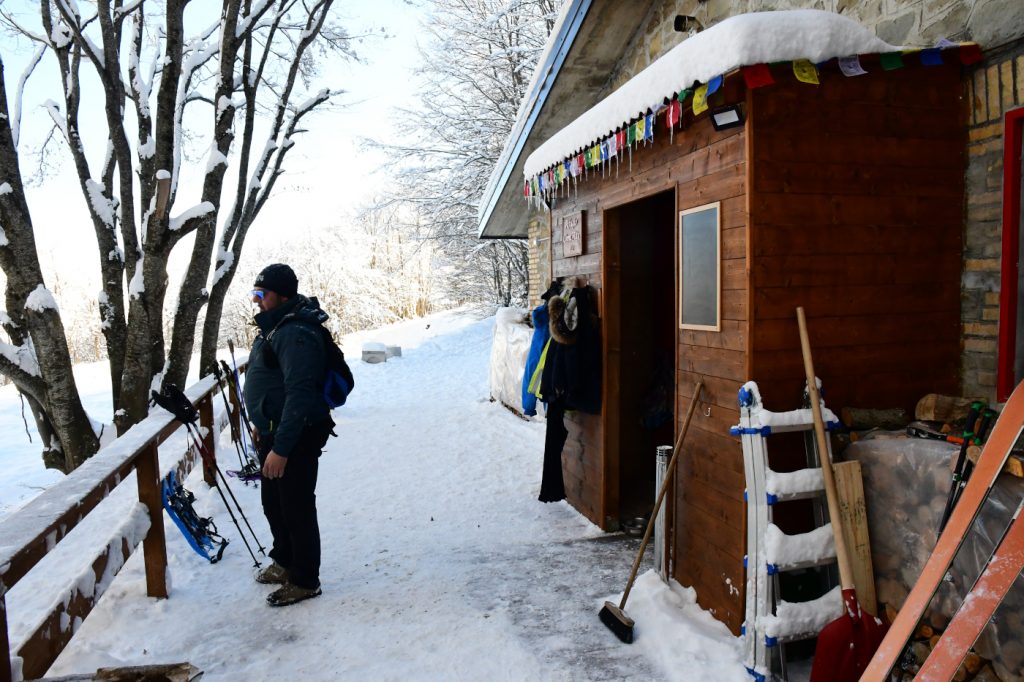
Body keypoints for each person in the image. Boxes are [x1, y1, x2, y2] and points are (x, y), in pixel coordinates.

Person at [244, 263, 335, 606]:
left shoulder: (296, 333)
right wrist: (260, 423)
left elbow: (299, 393)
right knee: (273, 502)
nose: (255, 301)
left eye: (260, 294)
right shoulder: (275, 327)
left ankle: (305, 579)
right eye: (253, 294)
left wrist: (281, 448)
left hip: (297, 433)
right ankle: (284, 560)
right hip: (275, 431)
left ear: (281, 295)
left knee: (296, 505)